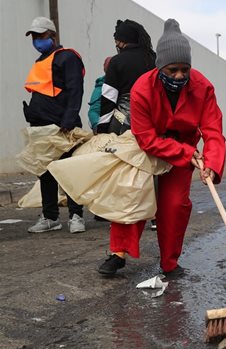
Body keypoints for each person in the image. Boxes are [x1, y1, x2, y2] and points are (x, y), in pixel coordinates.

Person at [98, 19, 226, 276]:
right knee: (131, 194)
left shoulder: (202, 86)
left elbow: (213, 130)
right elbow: (145, 137)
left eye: (184, 69)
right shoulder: (142, 89)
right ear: (159, 67)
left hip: (184, 152)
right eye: (172, 70)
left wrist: (211, 164)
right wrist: (185, 153)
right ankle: (118, 253)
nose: (179, 76)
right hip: (147, 148)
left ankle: (170, 261)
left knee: (175, 205)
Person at [23, 16, 86, 234]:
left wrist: (68, 120)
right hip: (41, 127)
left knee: (68, 171)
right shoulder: (41, 62)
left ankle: (76, 215)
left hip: (62, 126)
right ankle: (50, 217)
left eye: (40, 35)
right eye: (34, 36)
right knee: (46, 173)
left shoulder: (67, 57)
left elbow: (75, 90)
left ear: (52, 35)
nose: (37, 40)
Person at [96, 19, 156, 134]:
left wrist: (102, 132)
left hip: (122, 126)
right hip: (152, 125)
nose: (117, 45)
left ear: (123, 40)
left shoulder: (117, 61)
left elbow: (108, 99)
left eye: (117, 41)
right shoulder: (156, 60)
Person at [87, 56, 112, 131]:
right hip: (105, 129)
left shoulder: (126, 84)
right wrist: (97, 127)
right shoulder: (100, 87)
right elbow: (94, 111)